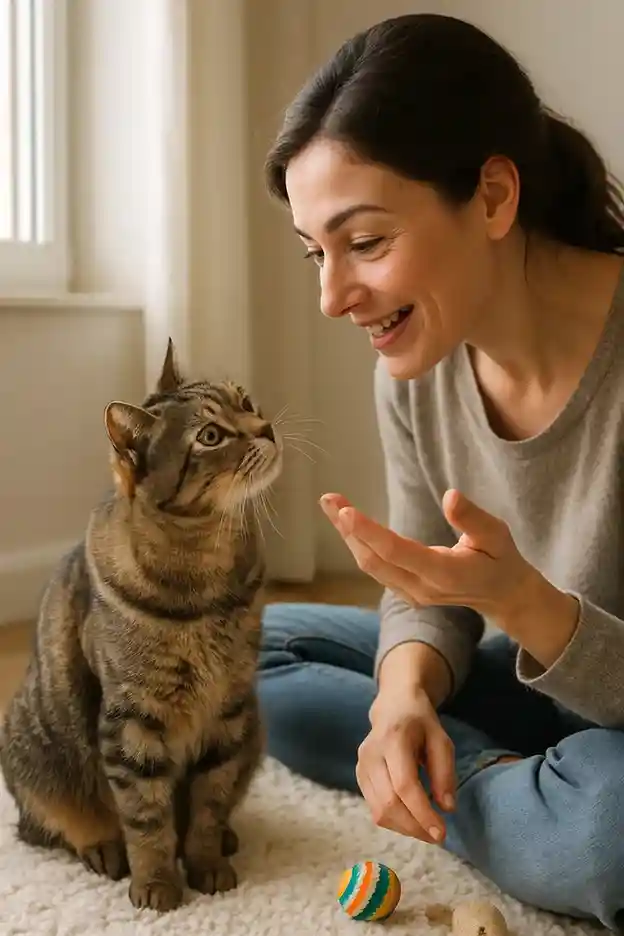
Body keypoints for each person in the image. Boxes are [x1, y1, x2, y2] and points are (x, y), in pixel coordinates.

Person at [257, 13, 624, 931]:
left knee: (612, 834)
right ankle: (490, 782)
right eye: (316, 253)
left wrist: (522, 602)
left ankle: (479, 797)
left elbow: (489, 599)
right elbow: (427, 589)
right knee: (242, 652)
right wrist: (402, 696)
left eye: (365, 243)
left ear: (493, 196)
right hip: (536, 688)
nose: (332, 297)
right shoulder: (413, 371)